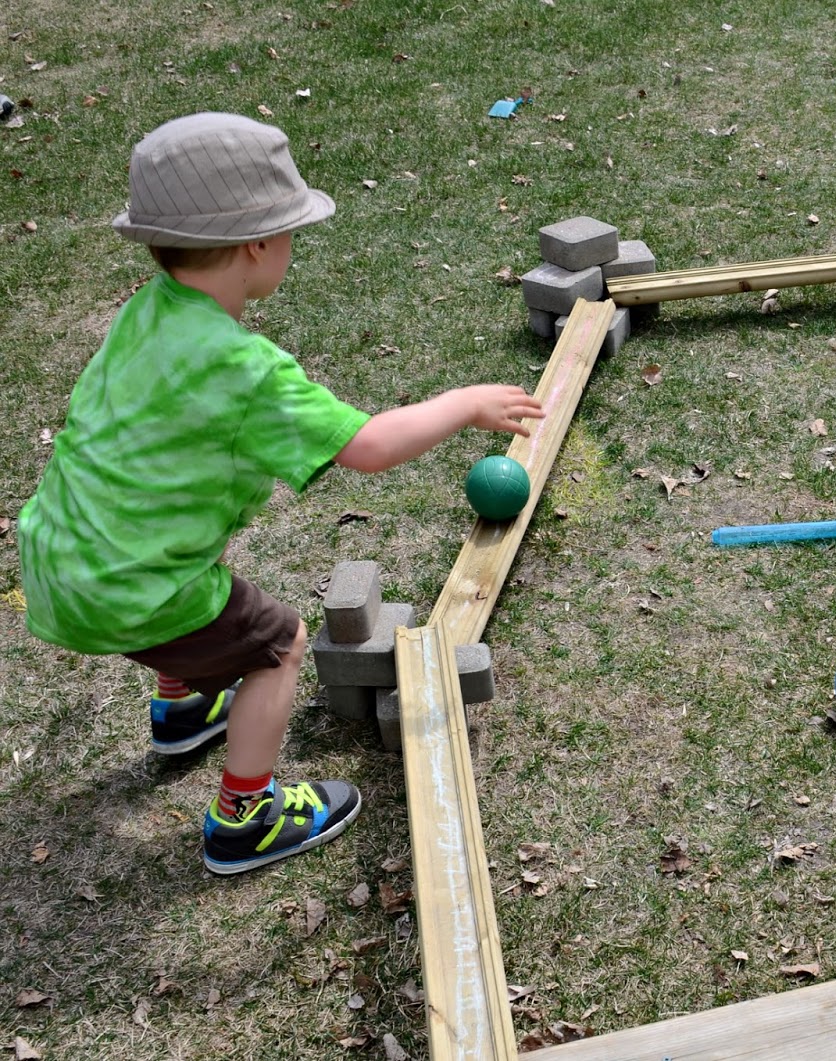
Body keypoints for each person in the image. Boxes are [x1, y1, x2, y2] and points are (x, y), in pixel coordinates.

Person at [15, 112, 543, 874]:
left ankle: (184, 707)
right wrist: (464, 404)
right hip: (132, 585)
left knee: (196, 585)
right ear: (259, 244)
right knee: (277, 646)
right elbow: (367, 447)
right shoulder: (246, 370)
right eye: (292, 230)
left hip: (59, 555)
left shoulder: (145, 312)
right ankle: (245, 817)